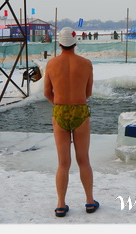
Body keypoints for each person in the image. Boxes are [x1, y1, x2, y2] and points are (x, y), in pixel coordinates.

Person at [43, 27, 99, 217]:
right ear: (75, 43)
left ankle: (60, 204)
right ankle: (90, 201)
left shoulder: (51, 64)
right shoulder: (86, 63)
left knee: (63, 163)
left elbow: (46, 93)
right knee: (83, 160)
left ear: (59, 44)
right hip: (80, 111)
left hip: (60, 111)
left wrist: (59, 104)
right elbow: (88, 92)